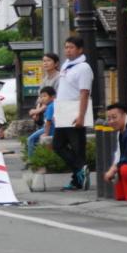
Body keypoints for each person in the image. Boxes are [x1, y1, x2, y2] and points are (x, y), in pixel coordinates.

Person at [53, 36, 93, 190]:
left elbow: (84, 93)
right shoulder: (66, 65)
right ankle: (80, 169)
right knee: (58, 145)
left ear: (80, 49)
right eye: (66, 47)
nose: (67, 50)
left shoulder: (83, 68)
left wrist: (81, 115)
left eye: (71, 47)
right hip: (63, 111)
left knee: (77, 147)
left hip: (75, 112)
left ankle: (78, 178)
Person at [28, 52, 61, 122]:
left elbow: (54, 99)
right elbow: (40, 97)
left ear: (56, 63)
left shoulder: (59, 78)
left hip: (55, 114)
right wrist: (37, 112)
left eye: (49, 60)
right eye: (44, 61)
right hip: (45, 114)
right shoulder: (44, 79)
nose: (45, 63)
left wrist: (38, 111)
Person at [26, 86, 57, 156]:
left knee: (30, 140)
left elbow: (49, 121)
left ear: (52, 97)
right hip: (50, 128)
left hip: (49, 128)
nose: (42, 98)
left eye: (45, 96)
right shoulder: (52, 105)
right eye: (41, 96)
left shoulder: (50, 107)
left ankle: (31, 160)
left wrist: (46, 133)